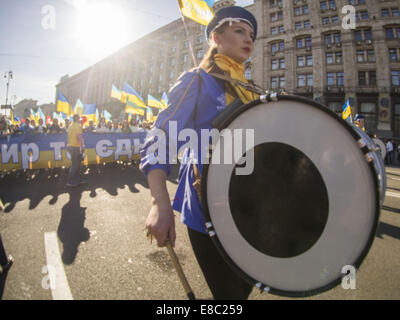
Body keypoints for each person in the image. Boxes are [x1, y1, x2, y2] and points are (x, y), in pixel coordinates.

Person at [141, 6, 260, 300]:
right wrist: (160, 202)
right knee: (230, 297)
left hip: (252, 208)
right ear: (216, 38)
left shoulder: (253, 90)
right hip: (208, 208)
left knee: (244, 291)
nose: (249, 39)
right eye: (240, 31)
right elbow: (160, 138)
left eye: (252, 35)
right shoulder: (196, 80)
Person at [67, 114, 86, 187]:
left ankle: (78, 180)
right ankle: (70, 181)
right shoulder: (78, 126)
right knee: (75, 165)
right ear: (77, 119)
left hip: (71, 146)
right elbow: (79, 137)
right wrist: (83, 147)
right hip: (75, 147)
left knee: (78, 165)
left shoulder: (71, 125)